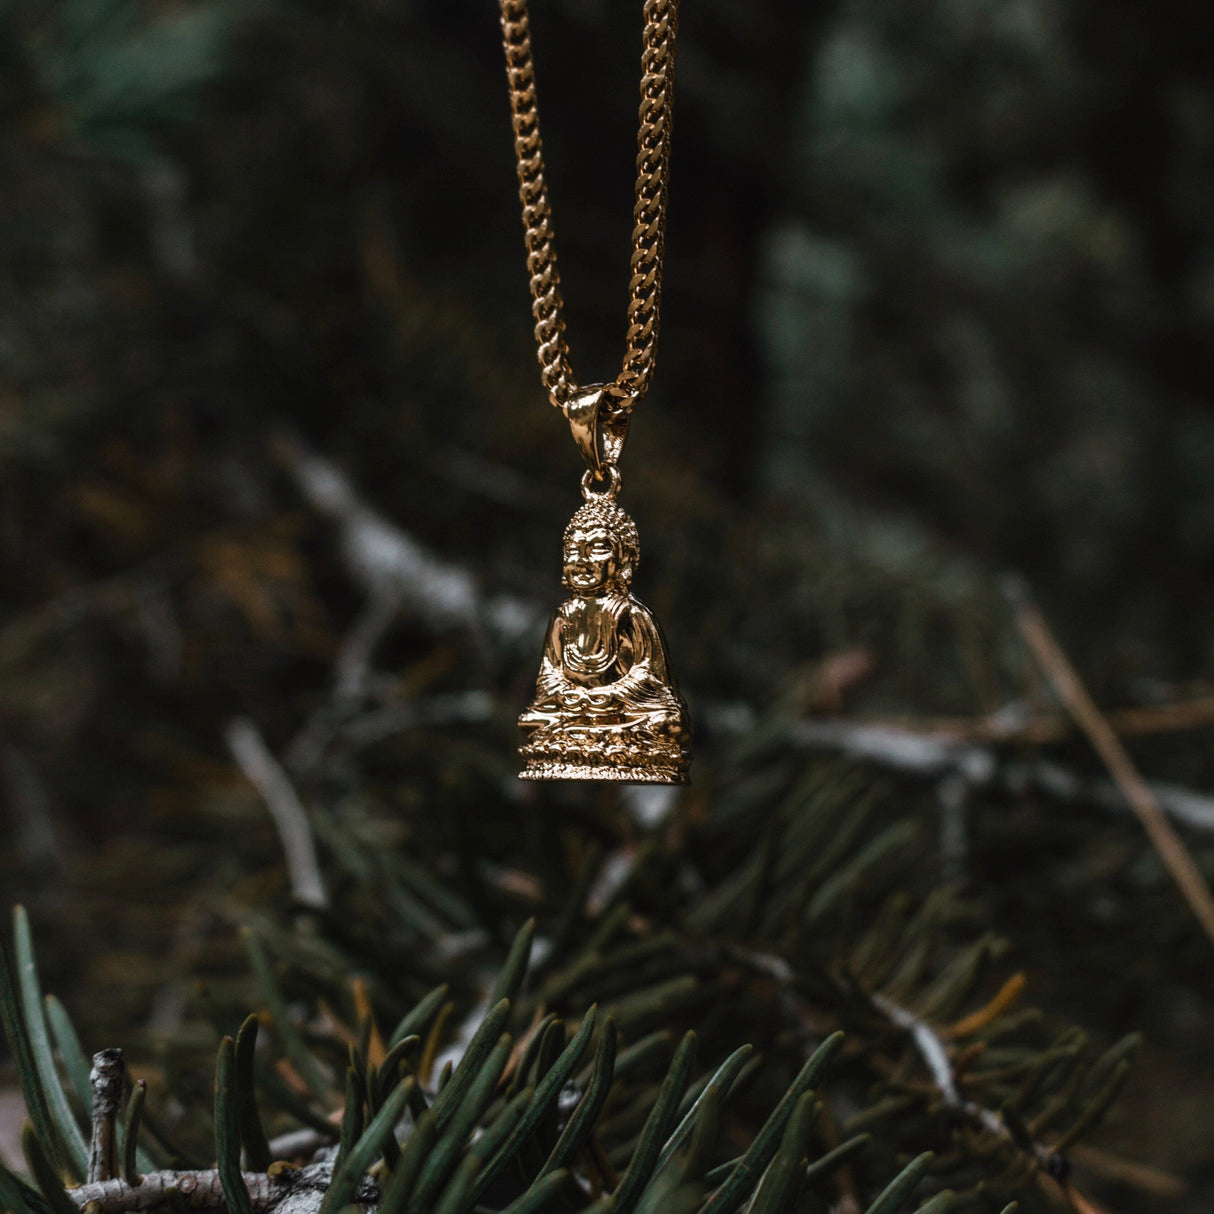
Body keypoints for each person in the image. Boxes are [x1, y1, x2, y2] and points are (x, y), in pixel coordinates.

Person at [519, 495, 690, 782]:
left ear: (625, 560)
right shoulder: (564, 614)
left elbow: (648, 675)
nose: (582, 561)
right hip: (577, 709)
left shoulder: (631, 613)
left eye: (597, 548)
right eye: (573, 551)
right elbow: (548, 676)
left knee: (667, 724)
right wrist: (573, 695)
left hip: (624, 710)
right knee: (533, 720)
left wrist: (605, 695)